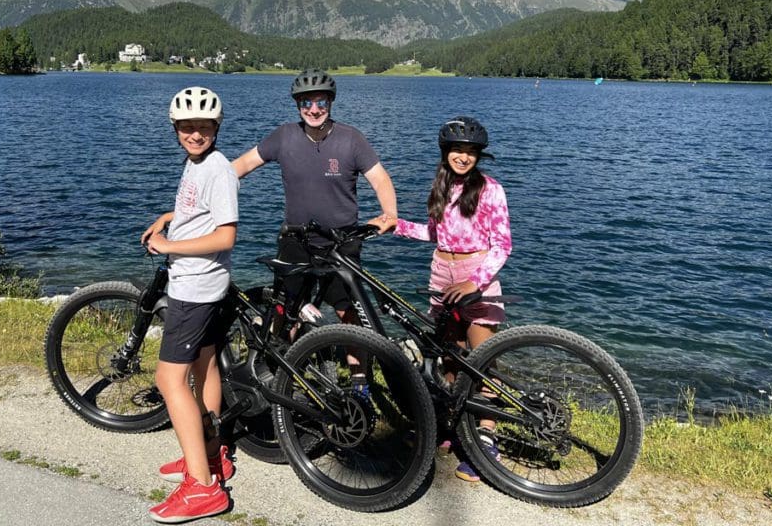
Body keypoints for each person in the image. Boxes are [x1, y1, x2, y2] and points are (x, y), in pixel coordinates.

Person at [376, 115, 512, 484]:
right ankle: (454, 425)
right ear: (445, 153)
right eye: (457, 150)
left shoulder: (490, 190)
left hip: (475, 275)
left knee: (482, 360)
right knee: (450, 357)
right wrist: (396, 225)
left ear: (478, 156)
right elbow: (434, 234)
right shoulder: (441, 187)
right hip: (441, 272)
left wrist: (476, 282)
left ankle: (486, 435)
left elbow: (503, 245)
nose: (463, 158)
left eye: (469, 152)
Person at [233, 69, 398, 336]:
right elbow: (241, 165)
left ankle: (359, 376)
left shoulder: (351, 139)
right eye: (305, 103)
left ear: (330, 103)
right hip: (296, 239)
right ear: (298, 105)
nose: (314, 109)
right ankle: (282, 362)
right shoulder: (284, 136)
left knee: (348, 311)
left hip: (341, 241)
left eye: (321, 102)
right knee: (287, 306)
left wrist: (390, 213)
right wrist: (207, 190)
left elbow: (380, 179)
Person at [140, 86, 238, 523]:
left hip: (195, 288)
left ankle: (202, 487)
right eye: (186, 127)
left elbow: (224, 236)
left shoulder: (218, 171)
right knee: (205, 367)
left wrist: (168, 246)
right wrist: (169, 220)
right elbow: (198, 214)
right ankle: (210, 456)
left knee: (169, 380)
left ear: (216, 128)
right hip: (208, 286)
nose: (194, 134)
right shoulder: (197, 164)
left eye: (202, 127)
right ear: (176, 129)